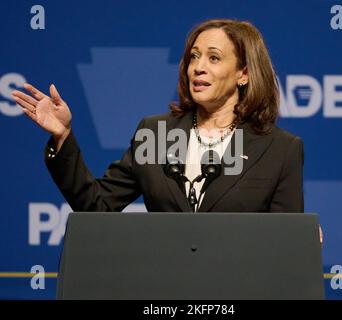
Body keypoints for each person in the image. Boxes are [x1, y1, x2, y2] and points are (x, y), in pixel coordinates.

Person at [11, 19, 304, 215]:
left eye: (213, 58)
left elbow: (283, 244)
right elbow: (96, 206)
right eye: (194, 56)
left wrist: (301, 239)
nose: (198, 68)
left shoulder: (279, 149)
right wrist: (63, 136)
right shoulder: (157, 133)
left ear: (244, 73)